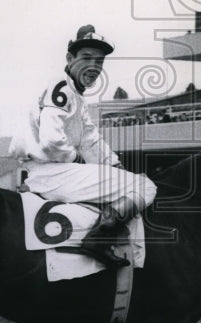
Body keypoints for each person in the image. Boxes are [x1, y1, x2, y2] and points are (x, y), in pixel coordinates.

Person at [10, 25, 157, 269]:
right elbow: (51, 140)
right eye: (86, 58)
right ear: (70, 58)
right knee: (145, 185)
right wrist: (78, 160)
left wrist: (115, 165)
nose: (94, 67)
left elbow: (91, 138)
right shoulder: (62, 87)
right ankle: (98, 239)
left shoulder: (76, 95)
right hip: (53, 172)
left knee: (130, 181)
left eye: (99, 61)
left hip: (51, 171)